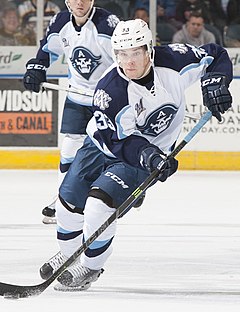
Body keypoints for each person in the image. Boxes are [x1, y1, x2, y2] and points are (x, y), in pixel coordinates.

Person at [38, 19, 233, 292]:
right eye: (121, 54)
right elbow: (118, 141)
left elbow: (216, 55)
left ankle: (91, 266)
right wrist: (149, 156)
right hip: (105, 145)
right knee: (67, 205)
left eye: (135, 53)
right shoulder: (110, 90)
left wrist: (215, 83)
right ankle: (69, 251)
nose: (128, 62)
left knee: (98, 205)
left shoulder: (175, 62)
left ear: (149, 50)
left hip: (145, 155)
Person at [23, 0, 119, 224]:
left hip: (105, 101)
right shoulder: (60, 21)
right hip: (76, 97)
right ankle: (63, 200)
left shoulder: (108, 25)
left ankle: (112, 193)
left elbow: (124, 62)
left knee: (107, 151)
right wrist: (37, 66)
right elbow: (48, 49)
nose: (79, 2)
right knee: (69, 151)